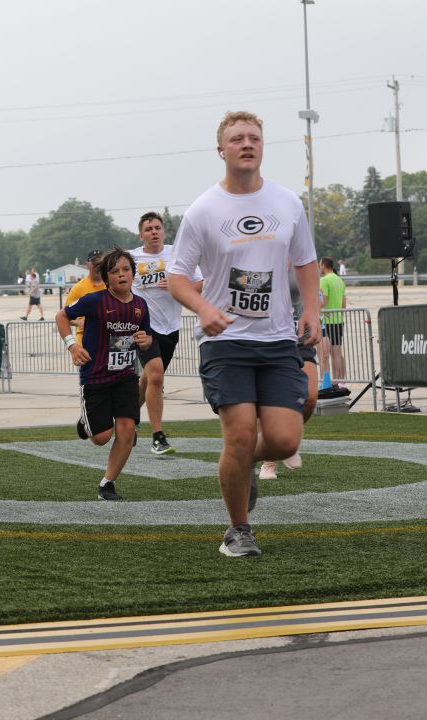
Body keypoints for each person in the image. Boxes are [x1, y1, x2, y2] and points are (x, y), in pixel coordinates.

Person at [168, 111, 321, 558]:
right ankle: (238, 530)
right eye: (237, 139)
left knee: (284, 440)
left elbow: (306, 261)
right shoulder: (203, 211)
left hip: (277, 340)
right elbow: (177, 277)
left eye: (254, 137)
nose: (247, 144)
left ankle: (244, 467)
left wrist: (311, 307)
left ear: (262, 146)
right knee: (237, 436)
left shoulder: (287, 203)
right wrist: (203, 308)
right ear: (222, 150)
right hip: (225, 341)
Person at [56, 247, 153, 501]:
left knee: (127, 430)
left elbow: (146, 336)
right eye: (114, 271)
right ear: (106, 277)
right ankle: (87, 423)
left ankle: (107, 484)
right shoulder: (95, 300)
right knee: (101, 438)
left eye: (126, 270)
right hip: (95, 376)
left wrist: (145, 340)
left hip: (125, 376)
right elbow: (61, 316)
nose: (121, 275)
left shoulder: (141, 306)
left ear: (133, 274)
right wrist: (72, 345)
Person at [131, 212, 203, 456]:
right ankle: (157, 437)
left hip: (170, 327)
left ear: (163, 231)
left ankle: (128, 420)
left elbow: (200, 284)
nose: (154, 231)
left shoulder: (177, 254)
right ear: (141, 235)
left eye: (157, 227)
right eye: (149, 228)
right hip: (144, 327)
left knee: (148, 379)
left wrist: (177, 287)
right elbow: (116, 285)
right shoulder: (131, 258)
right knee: (157, 378)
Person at [259, 263, 321, 481]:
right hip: (268, 337)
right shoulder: (259, 256)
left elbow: (313, 296)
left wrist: (314, 317)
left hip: (299, 336)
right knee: (269, 402)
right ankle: (269, 461)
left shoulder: (301, 260)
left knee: (311, 397)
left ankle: (289, 438)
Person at [64, 250, 106, 344]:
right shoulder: (78, 288)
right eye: (94, 262)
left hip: (106, 337)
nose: (97, 265)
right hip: (84, 337)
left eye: (100, 262)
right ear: (88, 264)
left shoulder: (111, 285)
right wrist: (78, 323)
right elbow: (64, 316)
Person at [318, 256, 347, 390]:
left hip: (327, 321)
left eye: (320, 264)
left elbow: (322, 302)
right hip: (338, 320)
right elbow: (343, 304)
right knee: (337, 351)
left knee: (324, 353)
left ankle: (326, 381)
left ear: (323, 265)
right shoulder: (339, 280)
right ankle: (340, 380)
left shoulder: (324, 280)